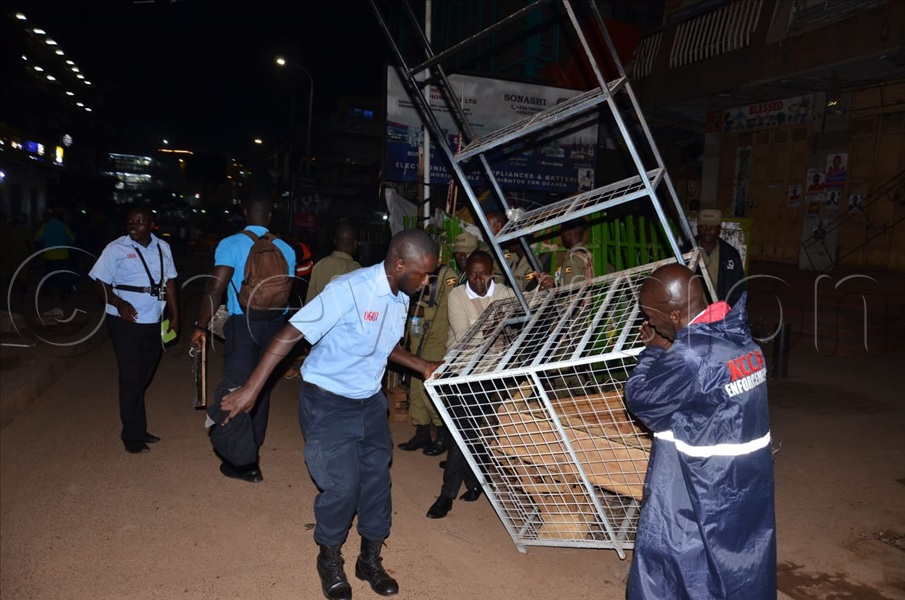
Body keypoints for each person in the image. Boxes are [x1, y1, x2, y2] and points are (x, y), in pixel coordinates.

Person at [219, 228, 441, 600]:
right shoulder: (349, 290)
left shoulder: (401, 294)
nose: (427, 281)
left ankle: (368, 560)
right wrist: (252, 389)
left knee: (376, 482)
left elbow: (383, 345)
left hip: (369, 403)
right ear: (399, 264)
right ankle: (329, 557)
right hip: (327, 402)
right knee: (342, 486)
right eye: (423, 273)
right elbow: (291, 332)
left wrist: (422, 365)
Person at [625, 264, 776, 599]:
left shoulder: (691, 355)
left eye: (652, 316)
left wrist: (652, 350)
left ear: (675, 314)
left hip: (697, 488)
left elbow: (642, 401)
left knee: (677, 566)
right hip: (744, 484)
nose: (651, 323)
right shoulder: (739, 338)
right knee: (738, 566)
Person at [191, 193, 296, 483]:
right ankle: (253, 446)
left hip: (243, 324)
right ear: (270, 216)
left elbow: (215, 289)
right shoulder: (287, 249)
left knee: (236, 387)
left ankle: (245, 463)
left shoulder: (230, 244)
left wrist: (200, 324)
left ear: (245, 212)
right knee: (259, 387)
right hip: (276, 327)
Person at [426, 251, 515, 519]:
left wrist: (496, 327)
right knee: (461, 431)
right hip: (460, 371)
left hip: (491, 373)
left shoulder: (504, 292)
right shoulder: (457, 295)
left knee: (471, 430)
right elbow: (467, 339)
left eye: (482, 274)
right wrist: (496, 326)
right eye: (472, 274)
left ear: (492, 273)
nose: (476, 279)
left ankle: (475, 483)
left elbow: (518, 324)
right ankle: (447, 495)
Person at [88, 206, 179, 454]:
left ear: (151, 224)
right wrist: (118, 302)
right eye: (130, 221)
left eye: (139, 222)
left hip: (154, 320)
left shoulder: (163, 248)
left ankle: (139, 428)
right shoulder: (116, 248)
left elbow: (170, 283)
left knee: (142, 377)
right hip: (124, 322)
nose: (133, 225)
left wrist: (175, 316)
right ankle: (132, 436)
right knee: (130, 378)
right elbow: (100, 283)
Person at [397, 256, 458, 455]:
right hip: (417, 336)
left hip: (435, 338)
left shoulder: (447, 276)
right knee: (415, 388)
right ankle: (421, 431)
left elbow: (450, 308)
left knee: (429, 388)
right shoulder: (417, 273)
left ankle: (442, 433)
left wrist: (426, 313)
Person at [486, 211, 553, 292]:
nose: (508, 239)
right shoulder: (511, 256)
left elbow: (528, 293)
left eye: (511, 236)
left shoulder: (533, 266)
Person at [694, 209, 745, 306]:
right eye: (703, 227)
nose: (707, 230)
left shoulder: (730, 255)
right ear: (697, 229)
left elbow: (739, 287)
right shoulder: (686, 251)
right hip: (692, 312)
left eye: (712, 227)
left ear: (719, 230)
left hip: (720, 311)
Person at [306, 221, 360, 303]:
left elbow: (310, 300)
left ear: (334, 241)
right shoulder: (357, 270)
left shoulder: (320, 265)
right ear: (355, 243)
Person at [34, 206, 76, 304]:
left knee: (48, 275)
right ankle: (61, 294)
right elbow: (72, 239)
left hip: (49, 256)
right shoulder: (64, 226)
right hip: (63, 256)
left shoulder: (45, 226)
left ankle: (46, 291)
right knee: (62, 276)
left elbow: (37, 238)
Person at [556, 217, 594, 286]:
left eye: (563, 233)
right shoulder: (587, 254)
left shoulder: (572, 260)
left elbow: (568, 292)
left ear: (569, 232)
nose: (561, 237)